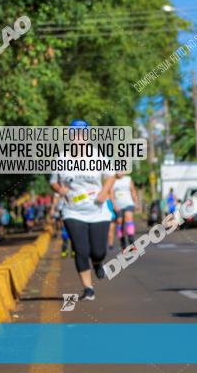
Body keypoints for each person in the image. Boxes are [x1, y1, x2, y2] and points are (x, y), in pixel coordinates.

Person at [49, 120, 117, 301]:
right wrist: (60, 190)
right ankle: (88, 288)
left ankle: (97, 263)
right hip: (72, 212)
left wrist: (104, 192)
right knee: (81, 250)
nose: (78, 138)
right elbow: (53, 181)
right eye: (74, 135)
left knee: (98, 251)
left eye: (81, 134)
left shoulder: (98, 156)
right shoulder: (61, 158)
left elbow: (110, 175)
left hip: (98, 211)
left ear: (87, 137)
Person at [113, 172, 139, 251]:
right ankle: (123, 244)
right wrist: (114, 205)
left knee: (129, 218)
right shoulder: (112, 180)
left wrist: (136, 202)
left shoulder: (128, 179)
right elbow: (110, 193)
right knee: (119, 222)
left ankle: (132, 243)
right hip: (118, 205)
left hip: (128, 203)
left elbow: (133, 191)